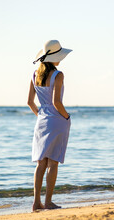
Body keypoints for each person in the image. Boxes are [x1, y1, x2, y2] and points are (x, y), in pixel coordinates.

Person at [27, 40, 72, 211]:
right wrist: (66, 117)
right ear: (55, 57)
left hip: (41, 121)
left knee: (41, 163)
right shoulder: (58, 75)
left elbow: (30, 102)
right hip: (57, 120)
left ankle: (36, 202)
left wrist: (41, 116)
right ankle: (48, 202)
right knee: (53, 163)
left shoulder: (34, 75)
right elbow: (57, 102)